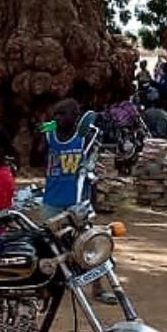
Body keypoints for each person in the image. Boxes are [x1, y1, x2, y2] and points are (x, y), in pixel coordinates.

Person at [43, 99, 114, 305]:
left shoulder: (85, 137)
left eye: (61, 114)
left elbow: (92, 159)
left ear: (75, 117)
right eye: (55, 114)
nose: (56, 119)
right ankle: (50, 286)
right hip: (52, 199)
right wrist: (44, 132)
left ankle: (98, 289)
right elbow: (38, 156)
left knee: (90, 244)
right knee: (50, 245)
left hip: (78, 202)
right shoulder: (49, 135)